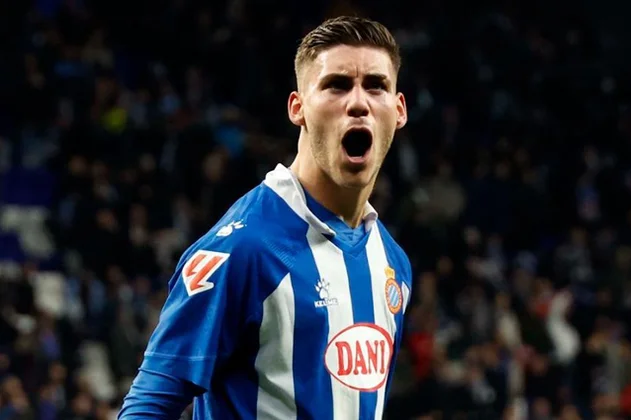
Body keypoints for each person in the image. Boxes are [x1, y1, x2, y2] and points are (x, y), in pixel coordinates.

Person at [118, 15, 413, 420]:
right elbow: (148, 406)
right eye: (337, 85)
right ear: (298, 108)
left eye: (376, 86)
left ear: (399, 110)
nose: (359, 103)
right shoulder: (243, 248)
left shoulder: (392, 263)